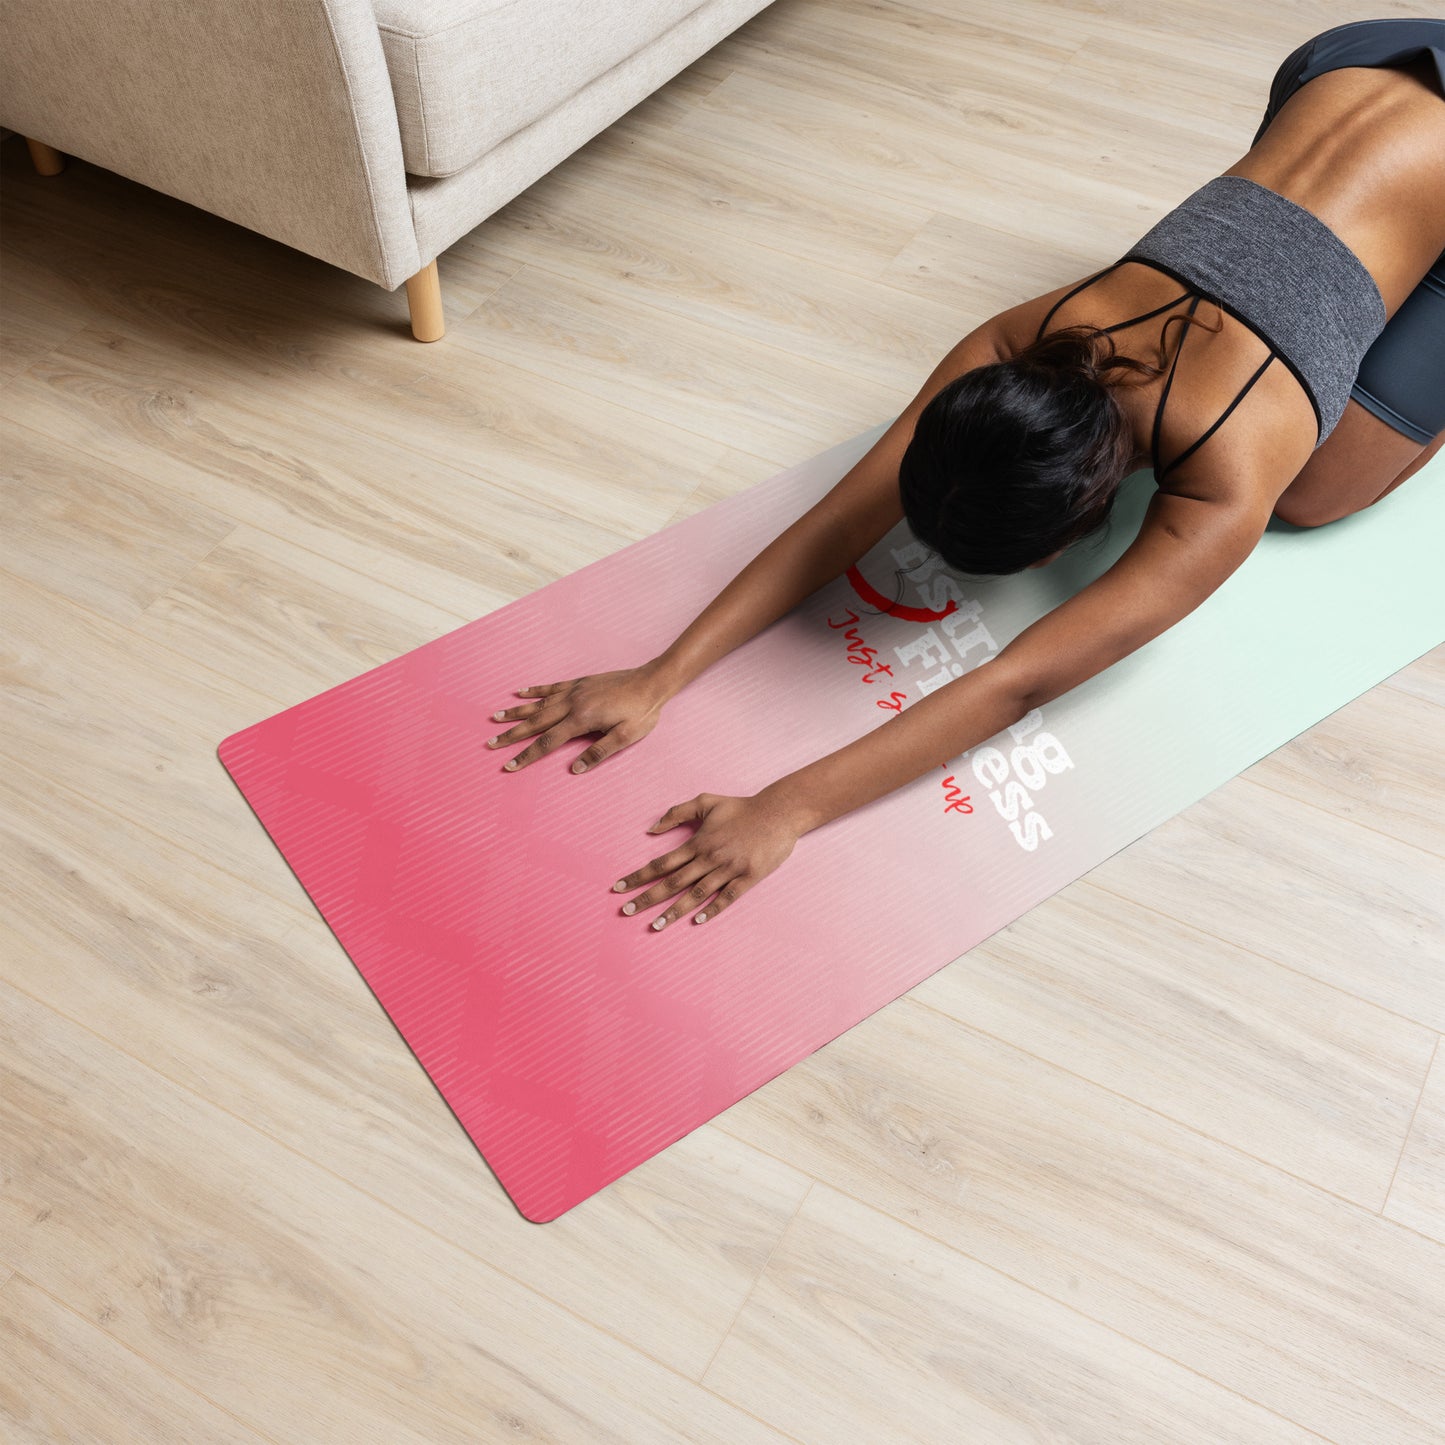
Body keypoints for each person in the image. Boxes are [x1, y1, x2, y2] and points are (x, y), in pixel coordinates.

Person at [487, 17, 1445, 932]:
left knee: (1318, 496)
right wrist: (658, 677)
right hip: (1340, 64)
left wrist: (787, 807)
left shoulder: (1231, 468)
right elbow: (838, 518)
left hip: (1362, 72)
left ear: (1087, 520)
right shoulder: (1019, 340)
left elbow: (1017, 683)